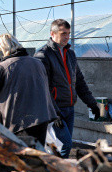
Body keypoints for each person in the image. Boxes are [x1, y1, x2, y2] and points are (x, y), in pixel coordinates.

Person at [34, 19, 100, 158]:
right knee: (65, 145)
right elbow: (42, 87)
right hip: (54, 110)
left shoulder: (70, 54)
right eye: (63, 33)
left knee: (60, 146)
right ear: (52, 33)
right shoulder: (43, 55)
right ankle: (53, 171)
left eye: (68, 33)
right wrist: (53, 112)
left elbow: (79, 82)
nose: (67, 37)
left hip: (69, 108)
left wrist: (92, 103)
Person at [0, 33, 57, 145]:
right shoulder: (37, 63)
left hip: (18, 123)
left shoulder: (2, 67)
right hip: (41, 119)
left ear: (1, 51)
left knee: (19, 157)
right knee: (35, 156)